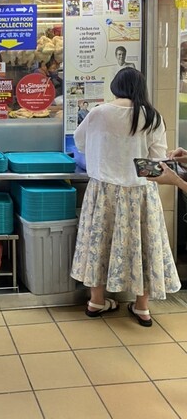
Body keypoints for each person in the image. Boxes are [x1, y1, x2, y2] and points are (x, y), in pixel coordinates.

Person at [71, 67, 180, 327]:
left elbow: (80, 142)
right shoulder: (151, 116)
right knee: (144, 245)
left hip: (103, 191)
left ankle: (96, 301)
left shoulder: (98, 113)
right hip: (140, 192)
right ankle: (142, 307)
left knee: (99, 243)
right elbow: (157, 160)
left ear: (115, 87)